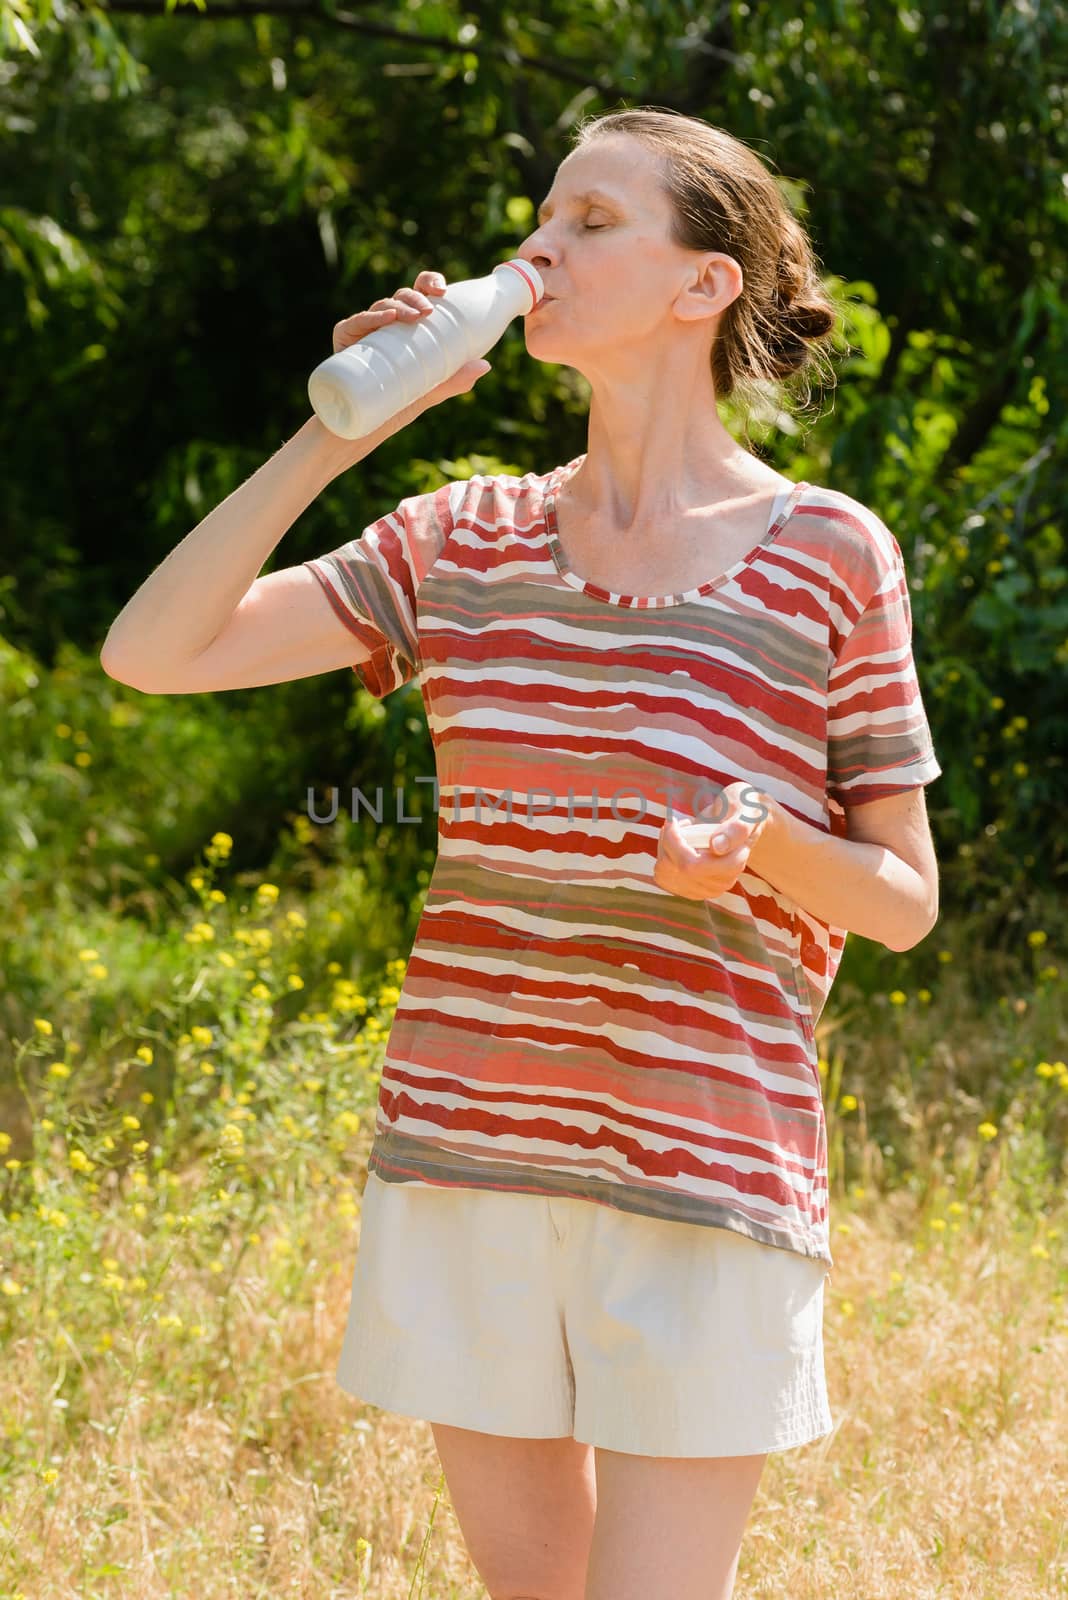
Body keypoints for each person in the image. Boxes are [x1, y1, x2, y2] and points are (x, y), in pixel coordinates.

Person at [101, 106, 942, 1600]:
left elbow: (901, 899)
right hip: (470, 1159)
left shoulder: (831, 554)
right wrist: (345, 422)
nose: (539, 248)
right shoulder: (463, 540)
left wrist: (760, 838)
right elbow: (155, 652)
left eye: (594, 220)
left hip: (705, 1168)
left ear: (705, 285)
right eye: (541, 217)